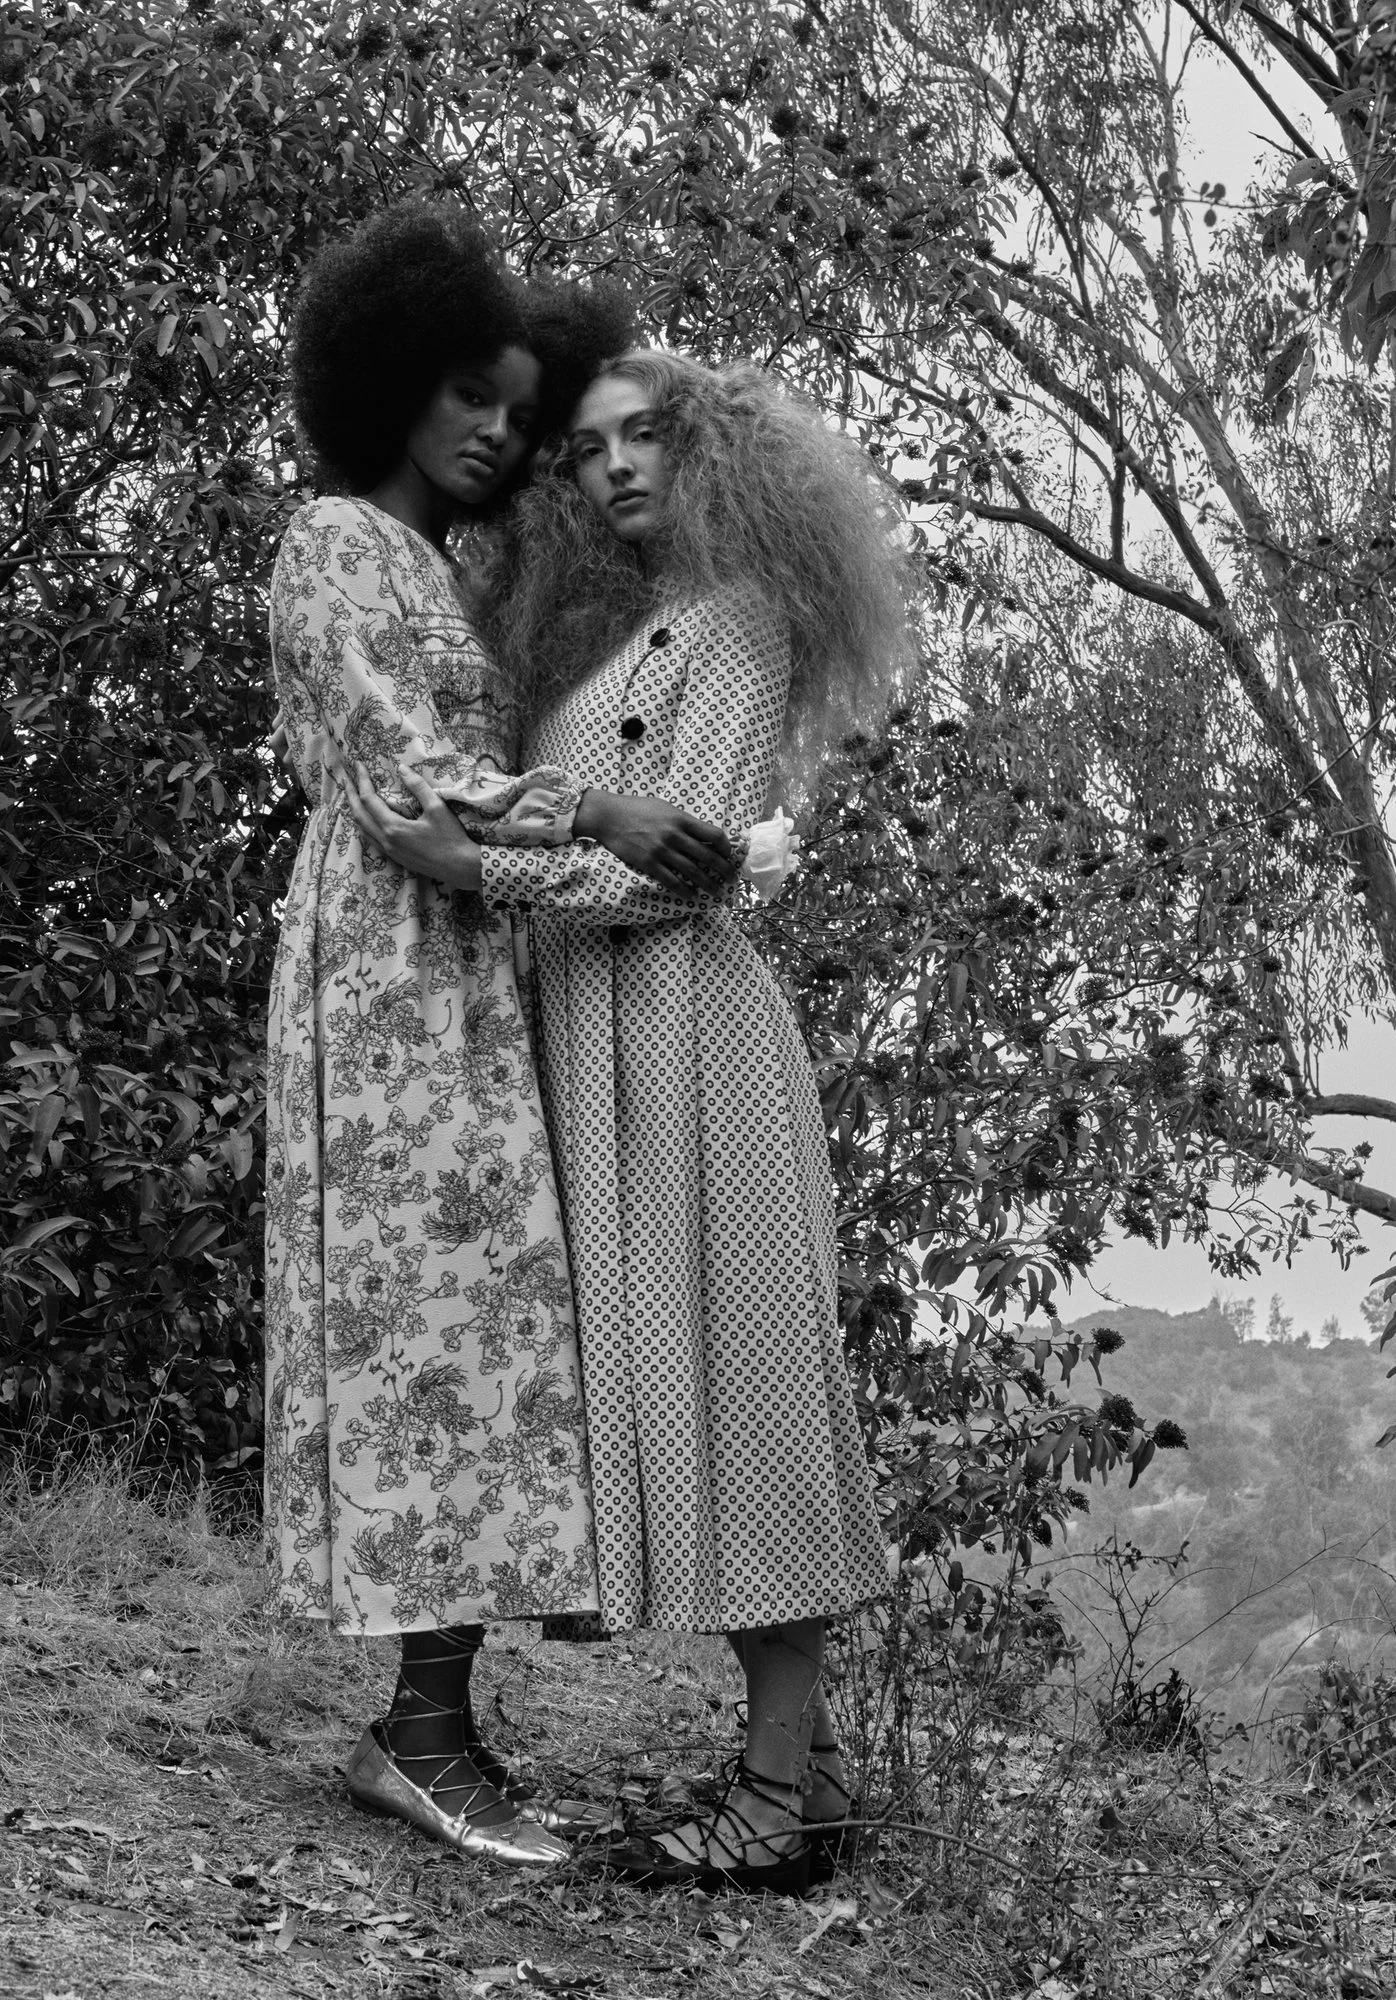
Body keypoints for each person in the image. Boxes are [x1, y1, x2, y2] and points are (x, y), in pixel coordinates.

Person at [344, 349, 914, 1891]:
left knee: (749, 1393)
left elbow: (695, 869)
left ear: (714, 452)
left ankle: (785, 1794)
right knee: (667, 1402)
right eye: (586, 450)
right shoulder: (605, 637)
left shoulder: (734, 618)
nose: (613, 469)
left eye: (645, 437)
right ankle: (783, 1780)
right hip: (593, 1048)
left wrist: (479, 875)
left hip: (688, 1047)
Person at [265, 205, 743, 1868]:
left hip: (466, 962)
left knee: (478, 1338)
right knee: (425, 1327)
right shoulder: (332, 542)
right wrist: (597, 804)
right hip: (386, 973)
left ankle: (432, 1719)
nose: (493, 429)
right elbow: (404, 787)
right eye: (469, 391)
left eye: (514, 411)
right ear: (388, 378)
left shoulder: (447, 566)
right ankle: (420, 1733)